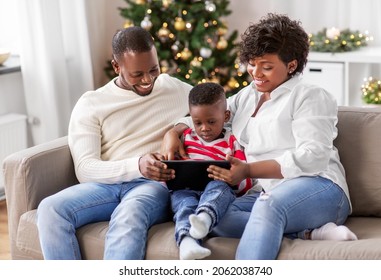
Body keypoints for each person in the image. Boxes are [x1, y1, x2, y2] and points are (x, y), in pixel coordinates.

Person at [162, 13, 357, 260]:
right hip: (265, 192)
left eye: (266, 66)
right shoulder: (248, 96)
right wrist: (174, 131)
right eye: (252, 63)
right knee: (215, 217)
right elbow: (212, 116)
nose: (256, 73)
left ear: (292, 65)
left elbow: (314, 157)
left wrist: (249, 170)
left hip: (320, 186)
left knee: (269, 206)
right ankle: (309, 233)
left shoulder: (310, 96)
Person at [36, 26, 192, 259]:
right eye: (137, 74)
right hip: (105, 185)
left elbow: (221, 110)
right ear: (117, 67)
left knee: (129, 215)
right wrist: (137, 165)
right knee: (50, 209)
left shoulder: (174, 88)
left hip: (152, 185)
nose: (148, 80)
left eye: (153, 69)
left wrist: (177, 128)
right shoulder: (92, 104)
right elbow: (85, 168)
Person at [170, 82, 253, 260]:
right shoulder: (186, 138)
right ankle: (187, 243)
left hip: (217, 190)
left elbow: (244, 180)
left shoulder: (232, 142)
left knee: (218, 186)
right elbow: (173, 170)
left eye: (211, 122)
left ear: (226, 115)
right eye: (197, 122)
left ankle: (205, 218)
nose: (204, 128)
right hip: (186, 190)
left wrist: (232, 178)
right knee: (184, 205)